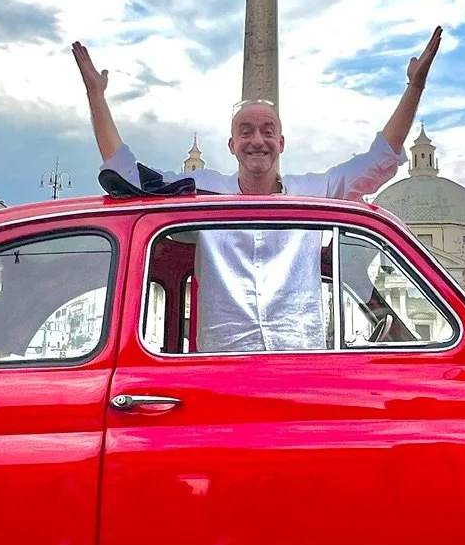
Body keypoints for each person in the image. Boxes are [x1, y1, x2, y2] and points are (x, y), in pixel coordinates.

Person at [70, 29, 442, 353]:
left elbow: (378, 161)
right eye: (246, 131)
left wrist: (415, 87)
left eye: (267, 131)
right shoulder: (202, 192)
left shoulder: (314, 193)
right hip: (222, 364)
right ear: (232, 145)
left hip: (298, 362)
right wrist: (95, 97)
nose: (257, 140)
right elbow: (128, 175)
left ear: (281, 142)